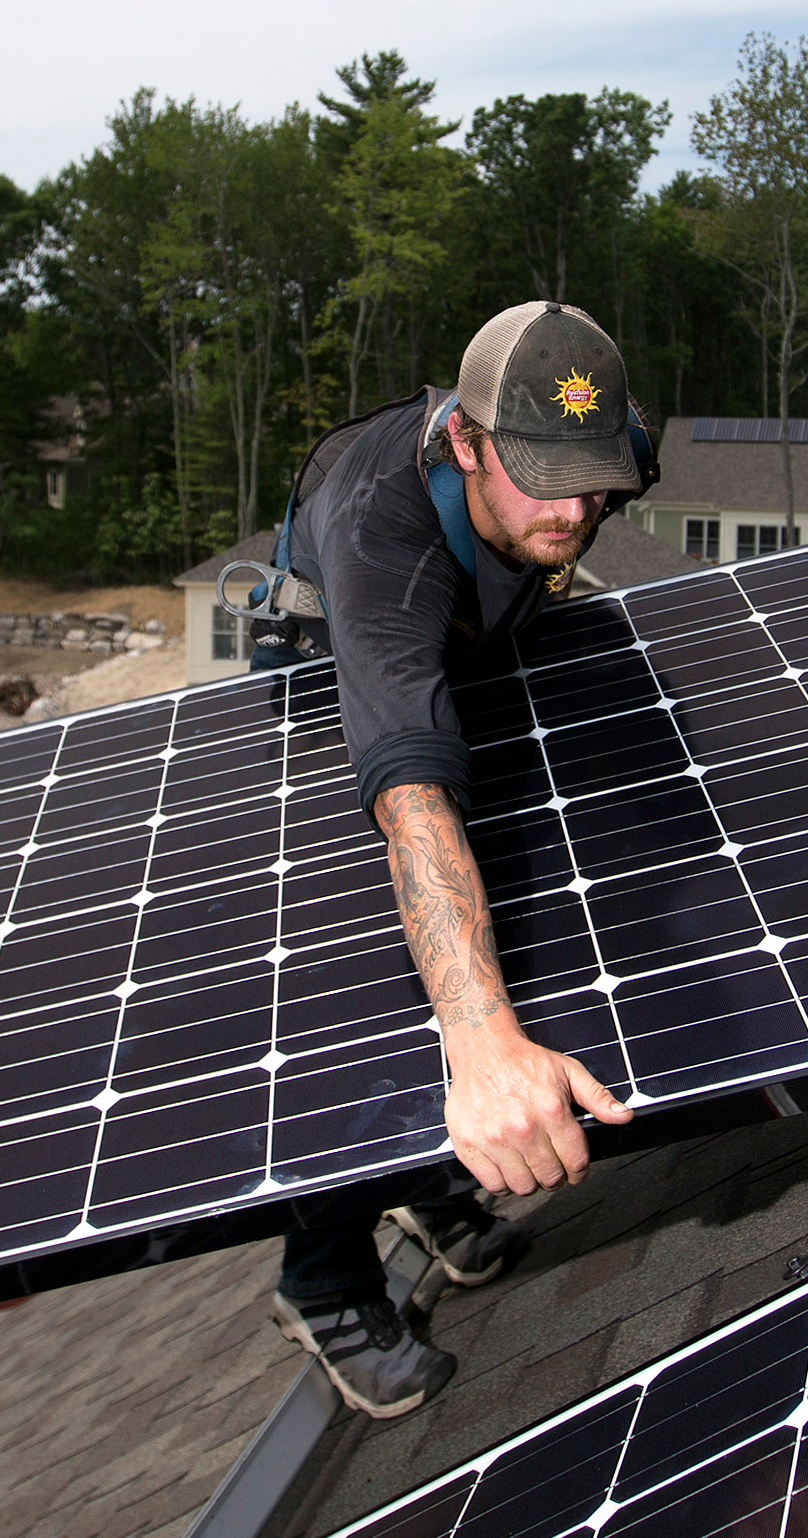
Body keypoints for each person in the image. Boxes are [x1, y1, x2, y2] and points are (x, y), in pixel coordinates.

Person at [259, 302, 655, 1417]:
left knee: (534, 875)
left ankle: (425, 1187)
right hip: (335, 677)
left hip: (481, 646)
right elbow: (416, 801)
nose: (578, 508)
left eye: (593, 478)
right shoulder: (382, 535)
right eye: (542, 477)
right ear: (465, 442)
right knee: (384, 958)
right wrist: (482, 1045)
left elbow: (579, 489)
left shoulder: (602, 444)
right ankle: (323, 1276)